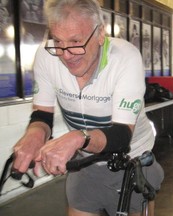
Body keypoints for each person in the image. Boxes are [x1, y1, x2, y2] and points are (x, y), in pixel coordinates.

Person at [12, 0, 164, 215]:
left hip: (132, 159)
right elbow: (42, 114)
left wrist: (77, 138)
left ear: (100, 34)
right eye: (58, 41)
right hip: (85, 161)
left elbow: (121, 136)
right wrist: (34, 136)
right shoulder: (47, 55)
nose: (66, 54)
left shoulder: (124, 58)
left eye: (75, 41)